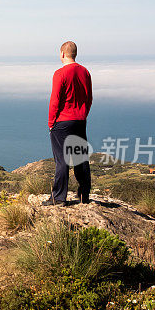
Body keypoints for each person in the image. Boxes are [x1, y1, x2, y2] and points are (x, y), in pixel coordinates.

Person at [44, 41, 92, 205]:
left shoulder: (60, 73)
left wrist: (51, 122)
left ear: (62, 54)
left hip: (63, 122)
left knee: (62, 160)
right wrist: (83, 114)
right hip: (80, 120)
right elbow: (89, 97)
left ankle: (58, 198)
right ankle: (83, 196)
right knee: (80, 158)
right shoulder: (84, 72)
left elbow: (55, 100)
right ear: (75, 54)